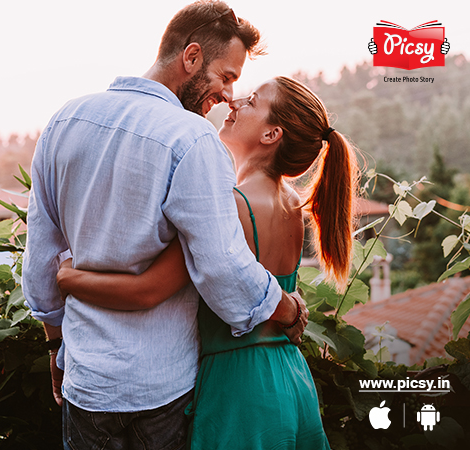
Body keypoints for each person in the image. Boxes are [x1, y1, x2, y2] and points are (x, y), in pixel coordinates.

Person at [21, 2, 307, 448]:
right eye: (226, 77)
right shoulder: (192, 140)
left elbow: (41, 255)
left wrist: (56, 345)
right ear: (190, 58)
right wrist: (286, 307)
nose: (229, 96)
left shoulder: (64, 120)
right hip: (162, 389)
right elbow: (222, 267)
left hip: (88, 383)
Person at [57, 76, 359, 448]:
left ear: (271, 134)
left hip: (239, 386)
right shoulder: (290, 204)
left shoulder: (230, 204)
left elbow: (148, 289)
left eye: (251, 101)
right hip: (289, 374)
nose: (234, 104)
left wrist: (68, 277)